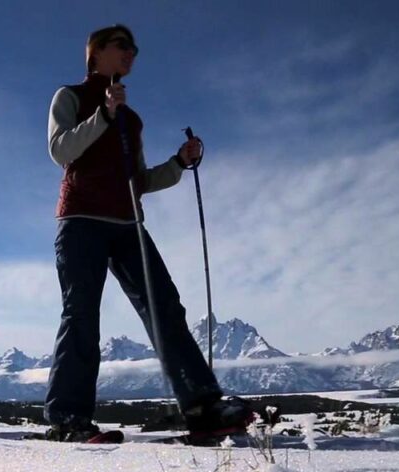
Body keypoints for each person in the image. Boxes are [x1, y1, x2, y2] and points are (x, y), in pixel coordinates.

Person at [44, 24, 250, 442]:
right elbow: (60, 151)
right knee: (82, 314)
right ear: (96, 52)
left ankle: (202, 405)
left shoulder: (131, 119)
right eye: (123, 47)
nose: (131, 54)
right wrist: (103, 115)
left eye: (134, 50)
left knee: (165, 307)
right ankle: (68, 418)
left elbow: (137, 179)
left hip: (128, 224)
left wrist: (178, 162)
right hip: (81, 220)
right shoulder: (71, 96)